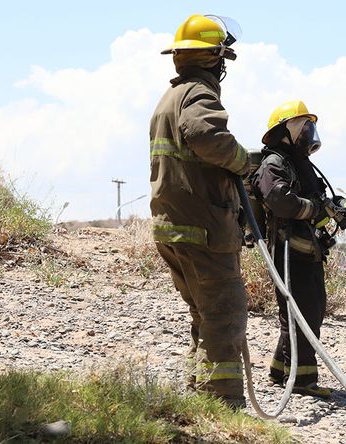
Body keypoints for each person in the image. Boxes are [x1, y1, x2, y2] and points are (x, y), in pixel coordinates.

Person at [149, 13, 250, 408]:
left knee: (204, 315)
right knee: (224, 314)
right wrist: (243, 161)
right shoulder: (197, 95)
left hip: (173, 227)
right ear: (215, 59)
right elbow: (207, 136)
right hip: (203, 227)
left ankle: (200, 400)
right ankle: (224, 405)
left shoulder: (168, 99)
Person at [251, 100, 346, 398]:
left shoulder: (298, 164)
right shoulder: (274, 164)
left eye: (311, 127)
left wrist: (333, 211)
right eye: (303, 126)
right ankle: (301, 380)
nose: (309, 133)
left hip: (307, 249)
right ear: (285, 131)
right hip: (286, 250)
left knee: (311, 309)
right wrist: (312, 209)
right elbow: (279, 200)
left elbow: (315, 203)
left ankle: (280, 369)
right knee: (301, 314)